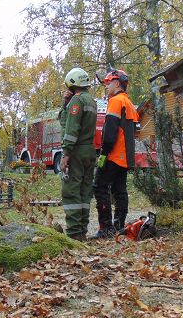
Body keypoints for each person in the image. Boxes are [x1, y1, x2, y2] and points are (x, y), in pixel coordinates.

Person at [91, 69, 138, 238]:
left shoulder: (116, 101)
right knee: (120, 190)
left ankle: (106, 228)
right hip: (126, 157)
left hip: (114, 155)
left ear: (117, 83)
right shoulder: (129, 103)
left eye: (108, 83)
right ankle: (118, 225)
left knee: (99, 187)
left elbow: (110, 130)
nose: (106, 86)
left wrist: (104, 152)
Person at [58, 67, 97, 241]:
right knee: (84, 192)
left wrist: (66, 154)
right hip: (89, 151)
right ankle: (82, 231)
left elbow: (70, 129)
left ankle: (74, 234)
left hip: (76, 151)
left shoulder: (77, 100)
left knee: (71, 191)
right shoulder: (91, 100)